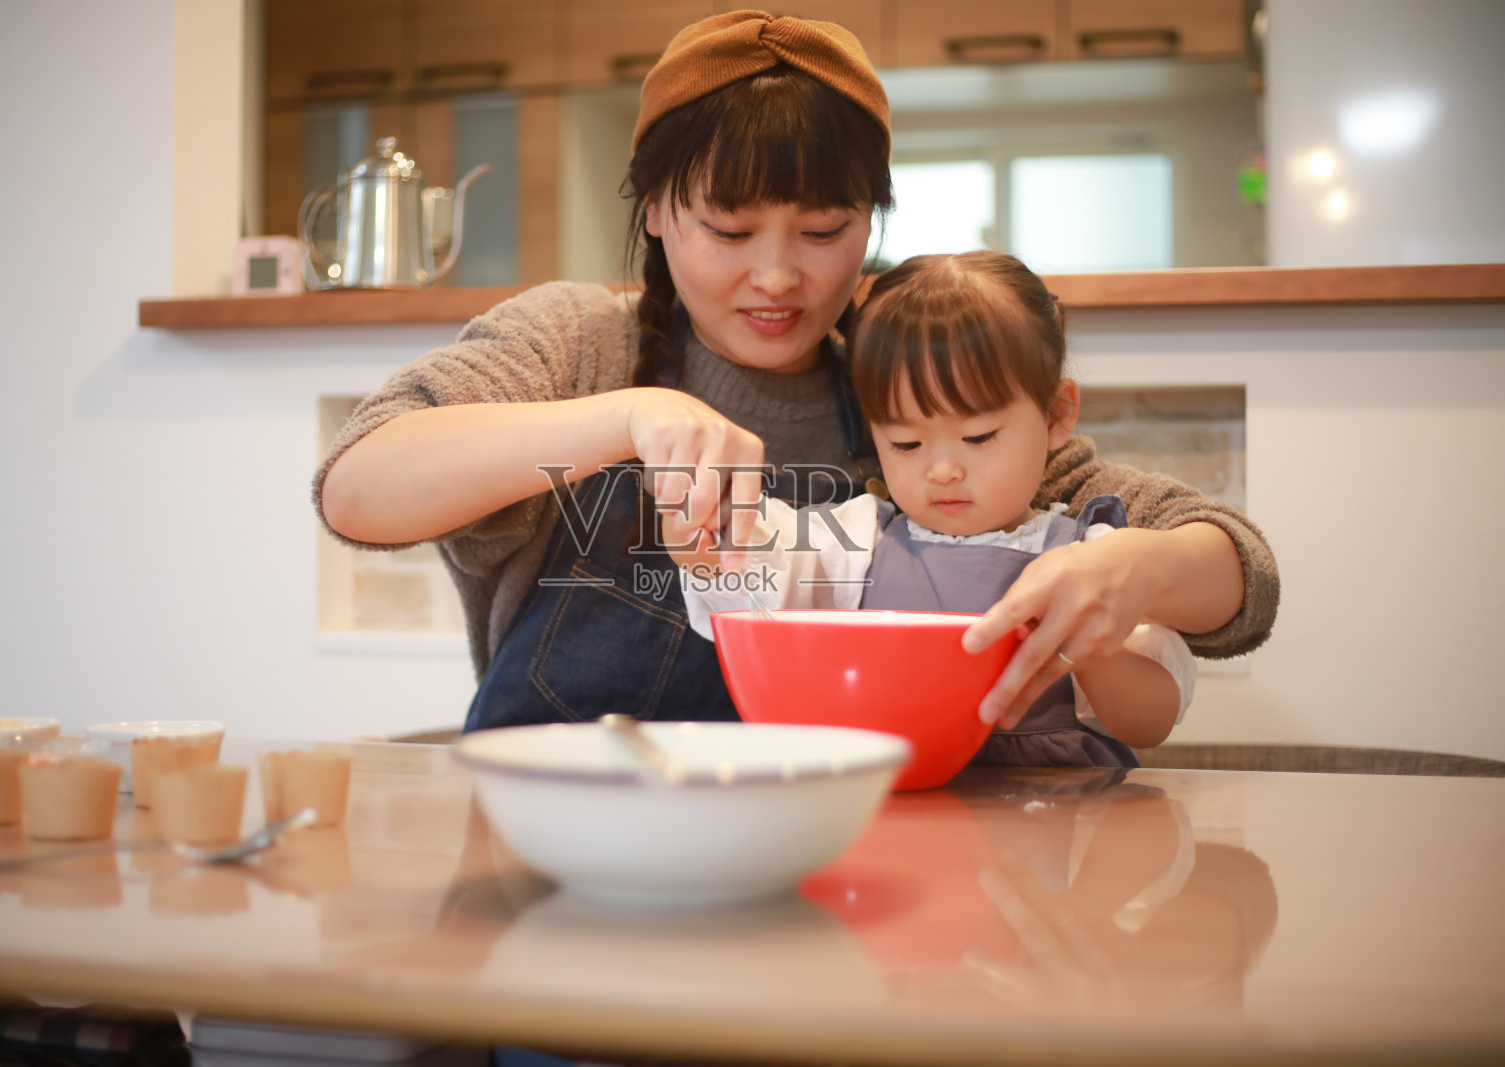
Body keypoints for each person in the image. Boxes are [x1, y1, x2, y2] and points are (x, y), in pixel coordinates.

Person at [313, 9, 1279, 736]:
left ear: (871, 218)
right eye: (730, 231)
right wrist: (626, 418)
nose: (778, 277)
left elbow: (1241, 582)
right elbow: (357, 487)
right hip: (559, 845)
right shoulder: (579, 345)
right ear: (656, 209)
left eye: (823, 231)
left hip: (827, 851)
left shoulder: (902, 382)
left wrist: (1138, 569)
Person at [677, 251, 1194, 765]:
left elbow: (1149, 724)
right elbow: (750, 565)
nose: (942, 470)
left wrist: (1090, 651)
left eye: (978, 436)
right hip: (902, 796)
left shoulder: (1091, 559)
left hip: (1060, 803)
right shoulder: (858, 542)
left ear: (1056, 415)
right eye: (906, 443)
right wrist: (707, 520)